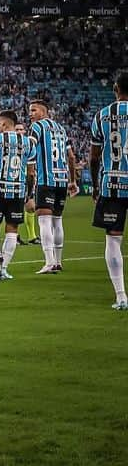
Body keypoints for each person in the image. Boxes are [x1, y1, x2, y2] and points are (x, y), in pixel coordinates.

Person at [90, 72, 128, 310]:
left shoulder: (102, 115)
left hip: (111, 183)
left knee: (113, 240)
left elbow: (94, 158)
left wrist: (95, 186)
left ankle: (121, 296)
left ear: (115, 88)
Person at [0, 111, 36, 281]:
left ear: (5, 124)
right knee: (12, 230)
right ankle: (4, 268)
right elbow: (31, 173)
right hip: (18, 191)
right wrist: (29, 194)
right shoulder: (28, 143)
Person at [29, 99, 77, 274]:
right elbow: (71, 157)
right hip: (62, 181)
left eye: (33, 110)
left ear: (43, 111)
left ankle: (49, 262)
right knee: (57, 221)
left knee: (44, 220)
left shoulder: (37, 127)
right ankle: (58, 261)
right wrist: (73, 181)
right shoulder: (61, 129)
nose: (30, 114)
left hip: (46, 180)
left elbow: (30, 146)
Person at [14, 123, 39, 246]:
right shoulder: (10, 145)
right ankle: (16, 236)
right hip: (15, 181)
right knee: (17, 209)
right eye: (16, 129)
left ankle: (32, 237)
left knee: (31, 207)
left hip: (27, 179)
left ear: (25, 131)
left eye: (21, 129)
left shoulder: (29, 145)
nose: (19, 131)